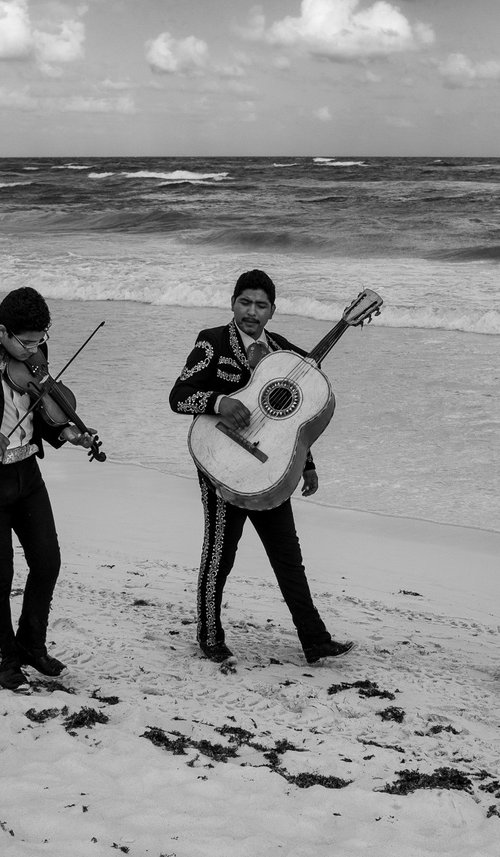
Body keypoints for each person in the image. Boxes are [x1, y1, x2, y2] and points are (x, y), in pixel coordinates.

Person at [169, 269, 354, 665]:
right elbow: (178, 396)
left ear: (273, 310)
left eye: (261, 305)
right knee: (220, 551)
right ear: (233, 302)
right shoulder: (213, 342)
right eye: (245, 302)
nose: (252, 312)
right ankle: (209, 633)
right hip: (219, 459)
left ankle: (315, 640)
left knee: (288, 555)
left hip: (269, 470)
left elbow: (296, 417)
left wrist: (307, 466)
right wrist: (219, 402)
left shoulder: (284, 353)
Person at [0, 287, 95, 691]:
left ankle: (31, 645)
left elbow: (45, 408)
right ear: (2, 331)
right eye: (27, 342)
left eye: (42, 341)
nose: (36, 351)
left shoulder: (34, 360)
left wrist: (69, 433)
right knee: (0, 574)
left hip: (28, 475)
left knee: (47, 561)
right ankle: (5, 659)